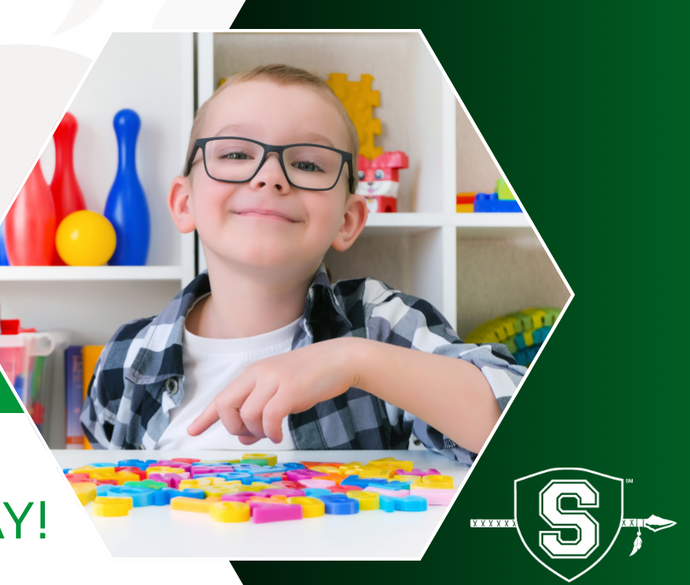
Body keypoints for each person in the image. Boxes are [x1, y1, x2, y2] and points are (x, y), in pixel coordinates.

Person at [80, 64, 524, 462]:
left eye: (309, 164)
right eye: (236, 155)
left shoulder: (383, 326)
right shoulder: (126, 355)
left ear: (348, 220)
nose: (270, 176)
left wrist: (353, 361)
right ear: (184, 203)